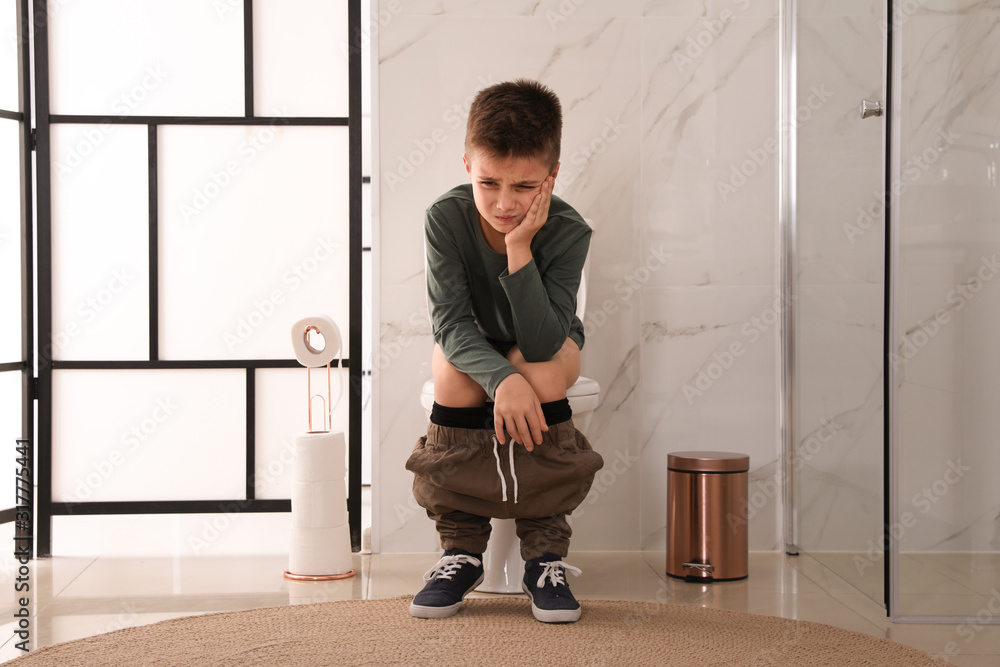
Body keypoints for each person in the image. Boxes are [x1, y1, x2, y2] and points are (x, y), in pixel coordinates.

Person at [405, 79, 604, 624]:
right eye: (488, 182)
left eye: (525, 186)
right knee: (453, 379)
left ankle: (544, 555)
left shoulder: (569, 231)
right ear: (467, 164)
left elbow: (541, 342)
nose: (504, 202)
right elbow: (450, 322)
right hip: (471, 340)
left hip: (551, 339)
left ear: (551, 177)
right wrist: (501, 378)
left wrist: (519, 247)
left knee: (540, 374)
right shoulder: (445, 218)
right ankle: (461, 551)